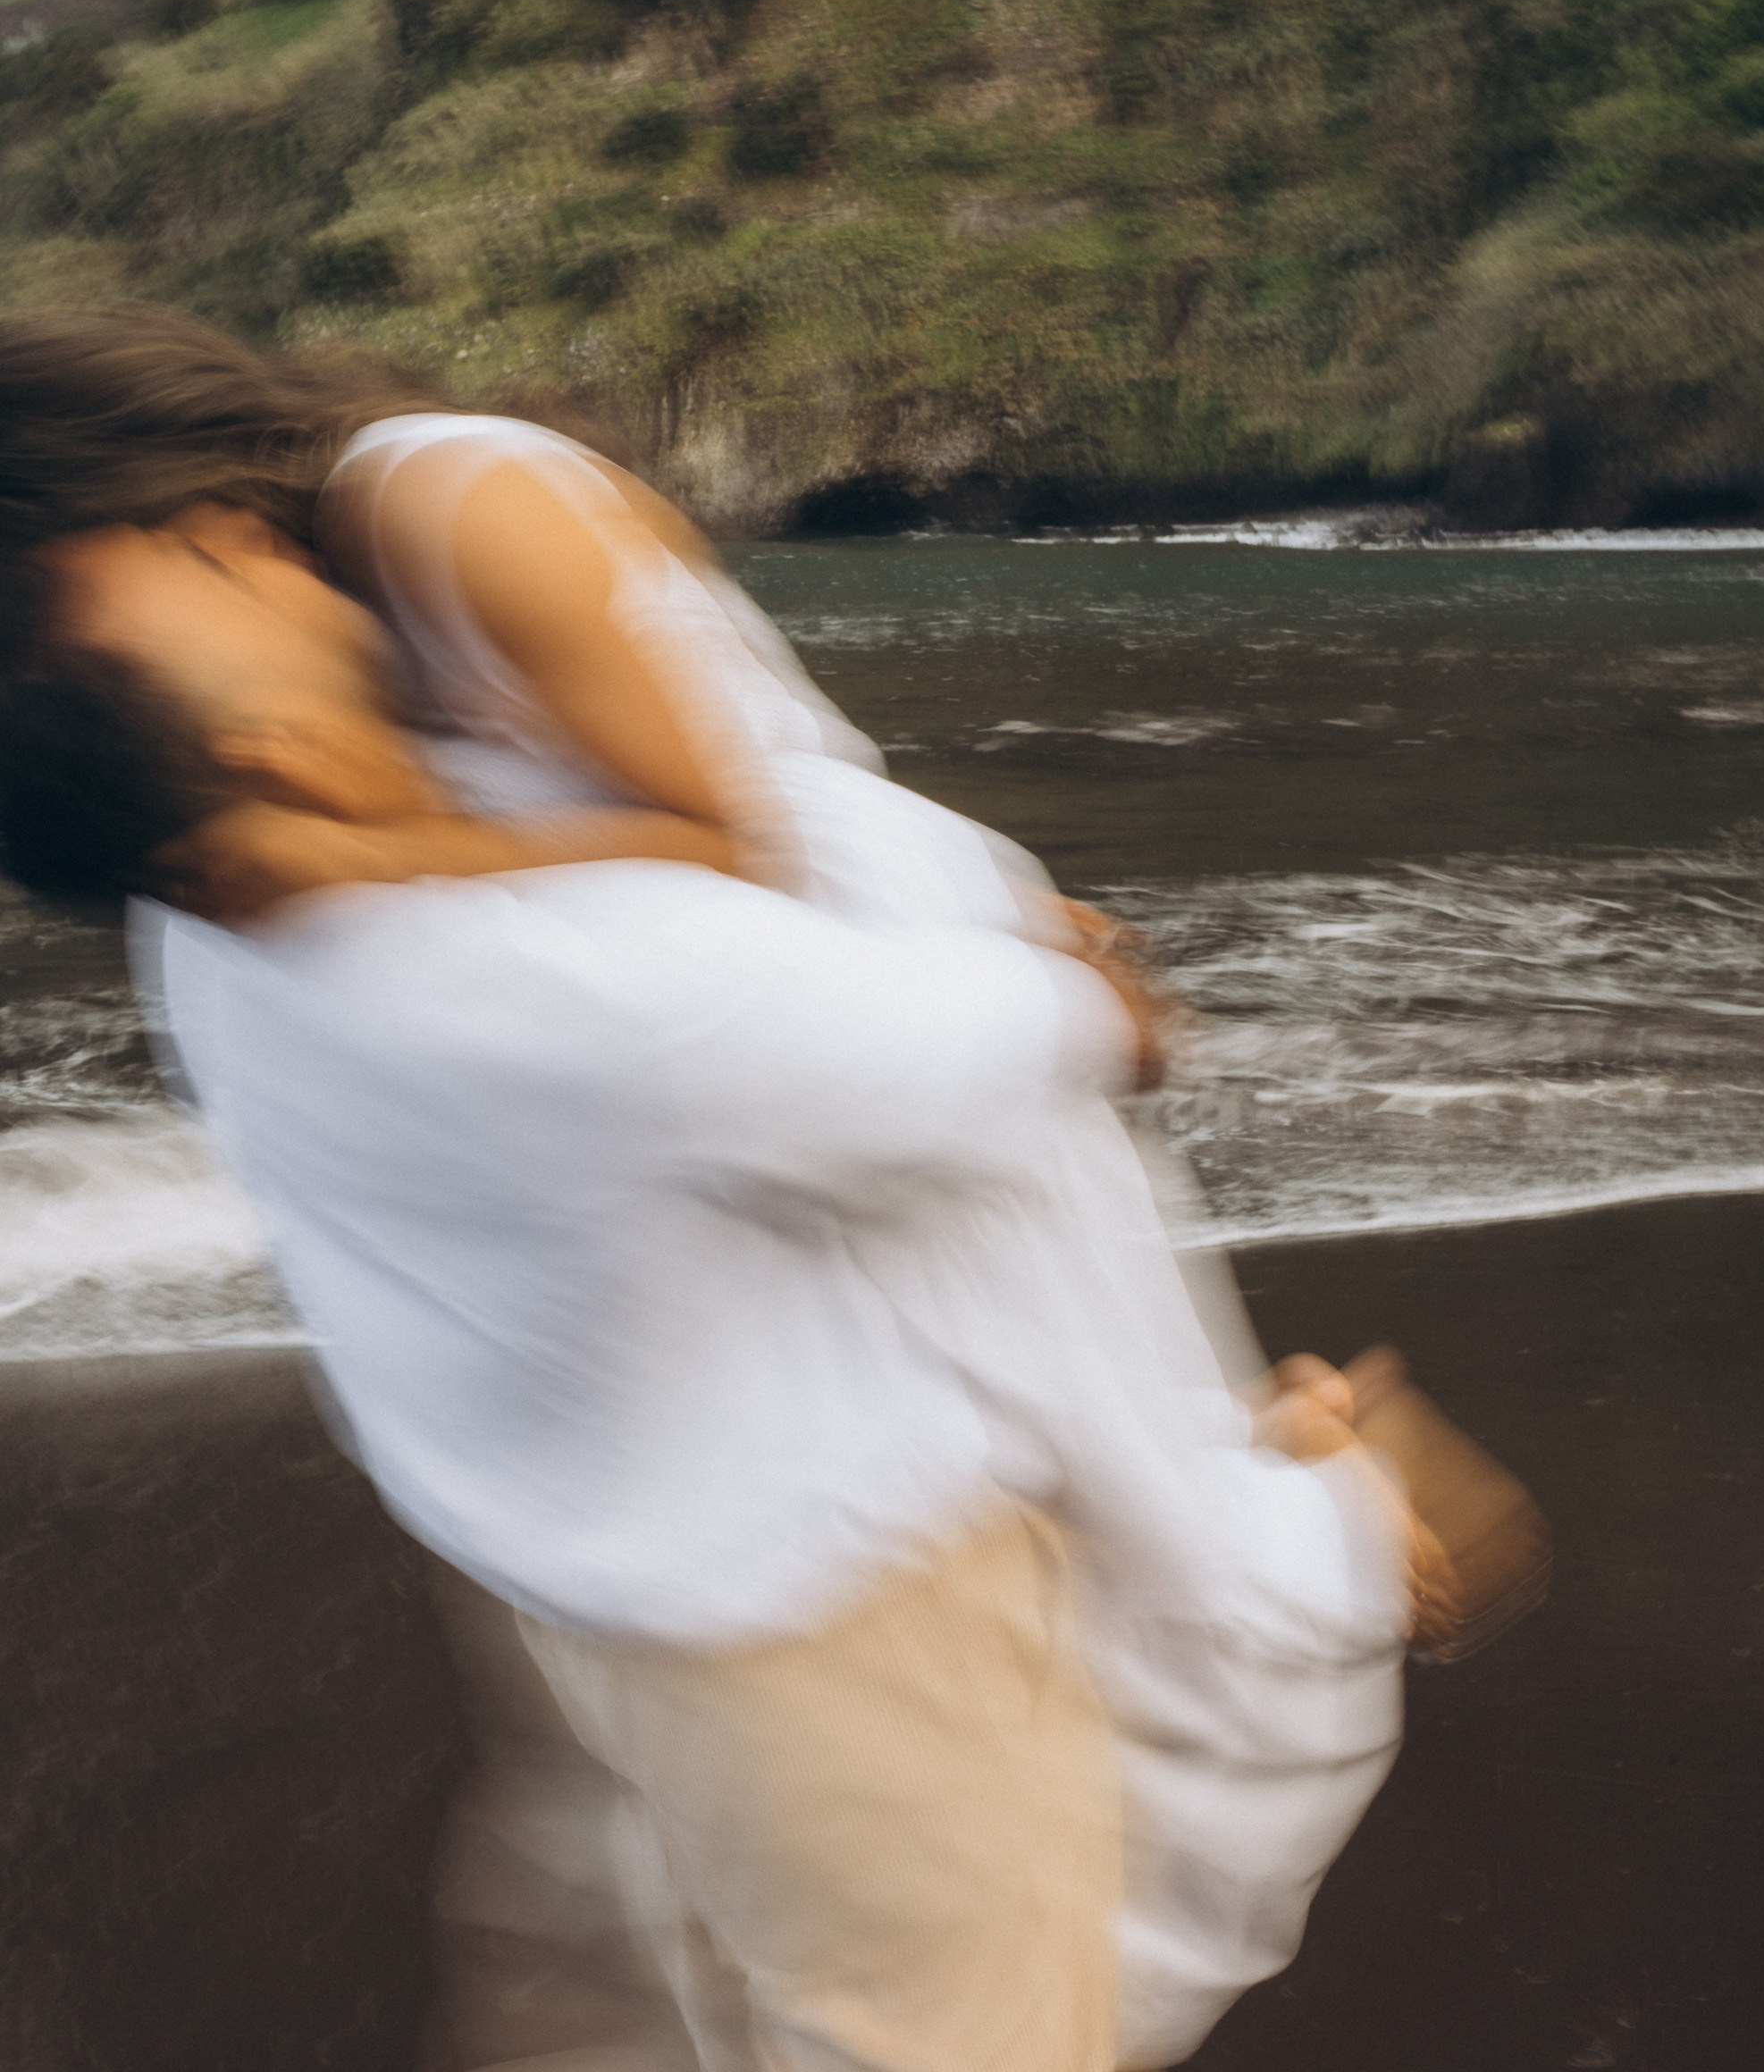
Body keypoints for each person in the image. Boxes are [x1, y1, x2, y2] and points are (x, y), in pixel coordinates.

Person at [0, 310, 1439, 2063]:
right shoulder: (521, 975)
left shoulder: (324, 774)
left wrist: (441, 846)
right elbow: (1037, 1031)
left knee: (798, 1987)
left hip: (634, 1556)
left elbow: (779, 899)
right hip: (754, 1578)